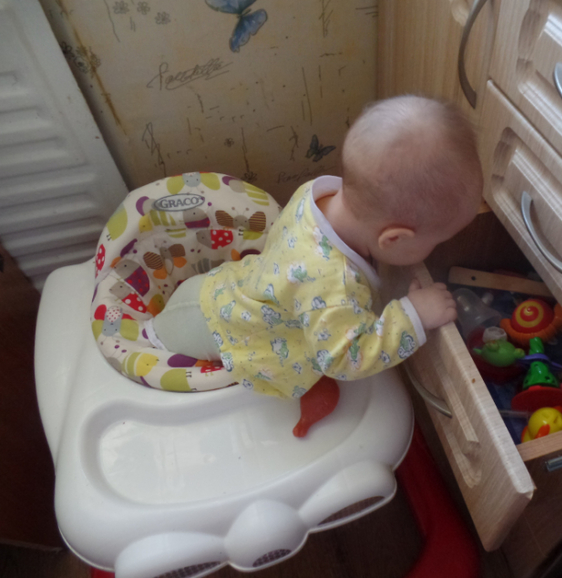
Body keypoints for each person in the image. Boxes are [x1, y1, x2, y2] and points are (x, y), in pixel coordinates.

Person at [145, 95, 483, 398]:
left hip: (216, 289)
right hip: (223, 336)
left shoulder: (318, 194)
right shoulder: (333, 283)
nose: (439, 248)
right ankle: (149, 336)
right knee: (153, 340)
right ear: (393, 239)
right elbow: (344, 359)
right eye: (438, 241)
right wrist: (412, 317)